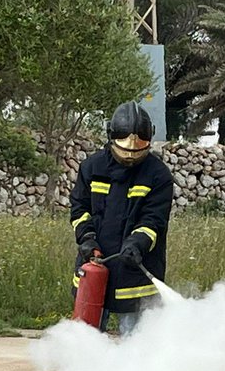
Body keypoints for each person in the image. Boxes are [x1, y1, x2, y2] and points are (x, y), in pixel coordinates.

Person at [71, 101, 174, 334]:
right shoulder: (92, 167)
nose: (130, 157)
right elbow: (79, 208)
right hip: (93, 271)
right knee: (86, 341)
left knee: (135, 348)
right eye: (124, 150)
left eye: (137, 153)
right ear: (110, 138)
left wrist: (137, 244)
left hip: (136, 276)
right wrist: (87, 239)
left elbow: (154, 220)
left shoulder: (158, 175)